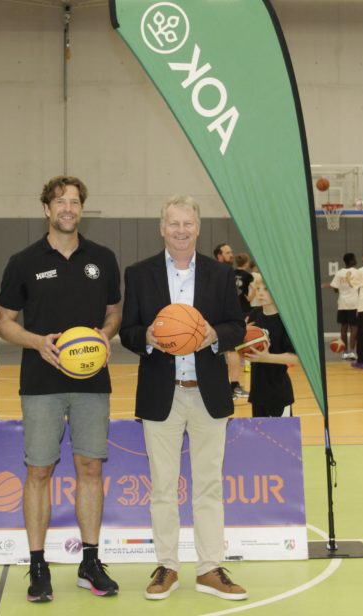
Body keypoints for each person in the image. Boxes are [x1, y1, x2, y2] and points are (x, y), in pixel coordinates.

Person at [0, 175, 122, 602]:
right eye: (60, 201)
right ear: (47, 209)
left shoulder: (102, 258)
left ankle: (90, 562)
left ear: (81, 208)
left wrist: (105, 334)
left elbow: (114, 312)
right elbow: (4, 322)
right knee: (39, 471)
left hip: (92, 381)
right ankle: (38, 564)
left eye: (74, 201)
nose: (68, 208)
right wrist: (38, 342)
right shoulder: (23, 261)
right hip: (41, 381)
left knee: (91, 468)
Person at [120, 196, 247, 602]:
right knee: (162, 486)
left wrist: (214, 336)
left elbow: (237, 326)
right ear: (162, 228)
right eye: (173, 223)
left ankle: (209, 568)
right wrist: (147, 337)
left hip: (207, 393)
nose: (180, 230)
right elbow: (127, 330)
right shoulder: (139, 274)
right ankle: (167, 566)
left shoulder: (220, 274)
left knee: (209, 485)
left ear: (198, 228)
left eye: (187, 223)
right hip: (162, 393)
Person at [245, 276, 298, 417]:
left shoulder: (286, 319)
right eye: (258, 289)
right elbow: (242, 345)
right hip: (257, 391)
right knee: (260, 432)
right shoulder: (254, 315)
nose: (260, 293)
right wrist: (240, 336)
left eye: (266, 289)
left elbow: (294, 358)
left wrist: (266, 357)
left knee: (281, 432)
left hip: (278, 393)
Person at [213, 243, 247, 398]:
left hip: (231, 318)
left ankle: (232, 386)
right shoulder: (216, 273)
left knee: (232, 351)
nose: (231, 255)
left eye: (231, 252)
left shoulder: (230, 273)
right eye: (227, 253)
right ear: (219, 256)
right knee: (229, 351)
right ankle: (231, 386)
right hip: (220, 319)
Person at [329, 253, 359, 360]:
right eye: (354, 258)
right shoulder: (356, 272)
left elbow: (335, 288)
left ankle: (345, 352)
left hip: (342, 303)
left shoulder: (339, 273)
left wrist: (342, 289)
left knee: (344, 327)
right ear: (351, 261)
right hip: (354, 304)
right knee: (354, 327)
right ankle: (352, 352)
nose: (356, 260)